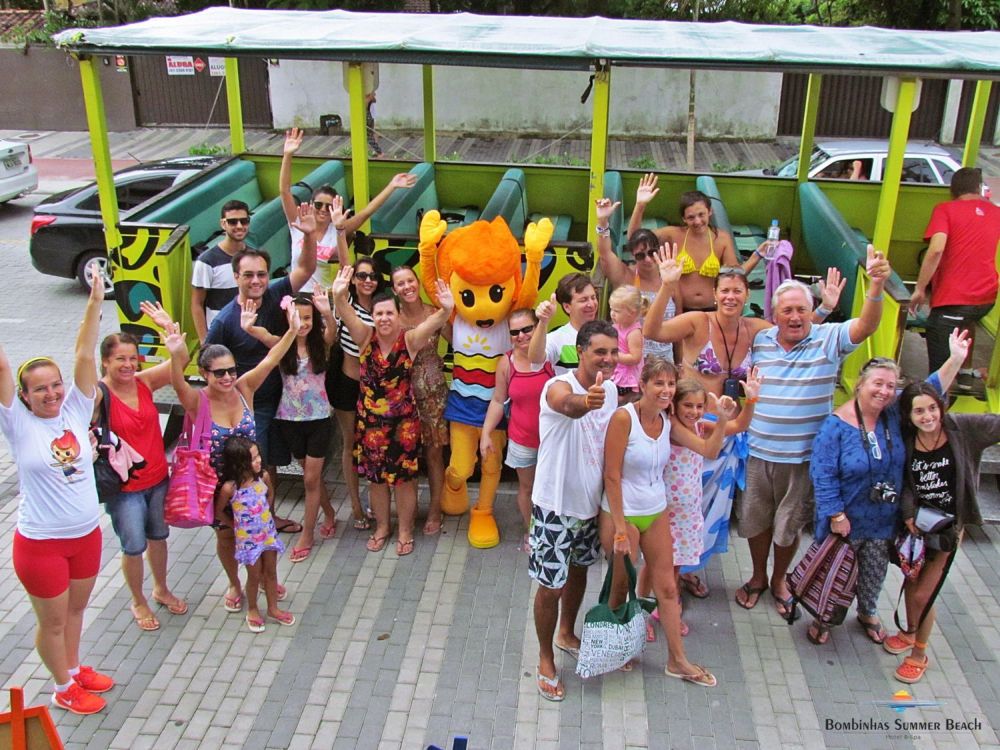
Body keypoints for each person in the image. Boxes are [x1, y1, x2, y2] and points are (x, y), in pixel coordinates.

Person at [643, 251, 843, 597]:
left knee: (710, 513)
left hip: (731, 434)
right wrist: (667, 285)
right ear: (715, 293)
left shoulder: (757, 331)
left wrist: (823, 309)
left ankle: (689, 570)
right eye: (725, 290)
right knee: (682, 507)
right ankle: (667, 583)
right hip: (691, 431)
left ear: (746, 295)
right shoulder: (696, 322)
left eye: (737, 290)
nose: (731, 297)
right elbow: (653, 330)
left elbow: (798, 331)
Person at [734, 248, 889, 618]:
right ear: (774, 315)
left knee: (789, 527)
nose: (794, 316)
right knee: (755, 522)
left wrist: (877, 286)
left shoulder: (828, 339)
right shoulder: (761, 342)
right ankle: (757, 576)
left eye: (802, 309)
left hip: (802, 460)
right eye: (786, 310)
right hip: (758, 453)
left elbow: (866, 326)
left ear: (813, 312)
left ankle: (779, 579)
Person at [808, 333, 967, 646]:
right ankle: (824, 616)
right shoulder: (836, 425)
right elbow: (822, 474)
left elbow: (931, 388)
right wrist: (836, 514)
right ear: (860, 385)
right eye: (877, 383)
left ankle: (867, 612)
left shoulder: (894, 415)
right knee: (834, 570)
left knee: (874, 572)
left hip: (883, 519)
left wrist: (957, 358)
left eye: (891, 386)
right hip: (845, 519)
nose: (884, 391)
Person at [0, 278, 114, 715]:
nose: (51, 394)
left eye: (55, 385)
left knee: (75, 613)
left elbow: (85, 354)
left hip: (86, 536)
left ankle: (75, 666)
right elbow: (2, 367)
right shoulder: (17, 423)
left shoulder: (77, 408)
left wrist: (95, 300)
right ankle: (62, 686)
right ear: (24, 397)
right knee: (51, 621)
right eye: (40, 389)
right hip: (41, 545)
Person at [603, 358, 738, 686]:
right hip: (624, 513)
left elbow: (707, 450)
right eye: (658, 384)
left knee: (666, 587)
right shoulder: (624, 418)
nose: (666, 391)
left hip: (657, 509)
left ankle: (677, 660)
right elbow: (612, 474)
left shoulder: (667, 421)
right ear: (642, 384)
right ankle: (615, 649)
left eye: (670, 384)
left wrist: (720, 421)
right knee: (621, 586)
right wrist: (620, 526)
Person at [164, 303, 300, 614]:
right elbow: (176, 384)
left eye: (231, 370)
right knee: (226, 538)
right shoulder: (198, 402)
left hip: (254, 482)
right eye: (219, 372)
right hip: (218, 489)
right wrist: (175, 356)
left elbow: (272, 358)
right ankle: (235, 583)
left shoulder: (244, 388)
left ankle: (265, 581)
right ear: (204, 373)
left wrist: (292, 330)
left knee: (262, 534)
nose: (227, 377)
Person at [204, 202, 320, 532]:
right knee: (259, 465)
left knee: (272, 464)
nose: (256, 280)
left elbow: (307, 268)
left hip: (286, 399)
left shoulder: (274, 292)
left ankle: (267, 514)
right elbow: (208, 364)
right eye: (249, 275)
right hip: (255, 407)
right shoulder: (225, 321)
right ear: (235, 276)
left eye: (261, 274)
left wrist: (309, 235)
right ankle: (259, 521)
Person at [883, 379, 1000, 683]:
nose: (928, 416)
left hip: (948, 530)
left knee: (925, 594)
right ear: (908, 415)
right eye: (919, 411)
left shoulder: (963, 429)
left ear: (941, 406)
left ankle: (919, 654)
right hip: (917, 527)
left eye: (932, 408)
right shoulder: (909, 439)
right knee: (911, 582)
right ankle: (909, 633)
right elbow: (906, 482)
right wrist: (908, 514)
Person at [332, 266, 453, 556]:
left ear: (398, 317)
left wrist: (446, 308)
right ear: (372, 318)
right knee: (376, 480)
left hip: (404, 426)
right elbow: (346, 312)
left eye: (389, 313)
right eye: (379, 314)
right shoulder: (365, 338)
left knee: (404, 480)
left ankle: (405, 530)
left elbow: (435, 320)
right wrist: (338, 295)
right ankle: (383, 526)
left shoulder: (409, 341)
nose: (384, 318)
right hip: (371, 425)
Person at [529, 320, 619, 702]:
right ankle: (546, 657)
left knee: (580, 572)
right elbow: (566, 405)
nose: (608, 359)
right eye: (600, 351)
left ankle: (567, 633)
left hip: (589, 506)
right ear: (580, 351)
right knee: (551, 585)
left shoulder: (612, 391)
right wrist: (586, 402)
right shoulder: (558, 386)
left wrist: (609, 510)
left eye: (614, 352)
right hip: (554, 507)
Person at [94, 301, 188, 633]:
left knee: (159, 537)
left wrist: (169, 331)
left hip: (157, 479)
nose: (128, 364)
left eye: (133, 358)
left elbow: (182, 361)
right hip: (124, 489)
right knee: (133, 545)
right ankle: (138, 600)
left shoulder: (144, 383)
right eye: (120, 358)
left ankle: (160, 588)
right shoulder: (99, 395)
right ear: (105, 361)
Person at [651, 373, 760, 633]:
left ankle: (665, 603)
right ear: (674, 406)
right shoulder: (673, 427)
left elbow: (740, 426)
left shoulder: (701, 424)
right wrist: (722, 418)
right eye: (688, 405)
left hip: (688, 509)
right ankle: (660, 608)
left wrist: (751, 400)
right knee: (661, 565)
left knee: (675, 564)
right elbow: (709, 450)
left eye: (700, 406)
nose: (695, 411)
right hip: (666, 510)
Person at [241, 291, 338, 563]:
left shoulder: (322, 344)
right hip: (289, 421)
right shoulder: (282, 345)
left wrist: (326, 311)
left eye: (308, 318)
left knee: (309, 479)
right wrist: (248, 326)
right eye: (298, 318)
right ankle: (329, 513)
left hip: (319, 420)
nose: (304, 323)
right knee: (312, 477)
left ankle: (307, 535)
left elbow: (331, 330)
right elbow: (262, 335)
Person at [279, 127, 417, 292]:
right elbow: (284, 191)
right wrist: (287, 155)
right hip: (296, 293)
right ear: (311, 204)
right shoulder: (298, 224)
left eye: (328, 206)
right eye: (318, 205)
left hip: (323, 296)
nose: (322, 209)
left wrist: (392, 186)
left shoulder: (336, 230)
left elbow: (366, 213)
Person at [910, 167, 1000, 376]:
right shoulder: (996, 213)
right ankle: (966, 374)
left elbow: (936, 250)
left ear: (952, 190)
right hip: (987, 298)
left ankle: (941, 400)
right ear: (978, 188)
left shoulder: (945, 210)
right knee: (966, 323)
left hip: (955, 299)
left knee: (940, 363)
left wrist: (920, 288)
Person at [626, 175, 762, 311]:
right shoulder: (673, 234)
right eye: (691, 217)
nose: (697, 221)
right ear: (684, 219)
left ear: (710, 211)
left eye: (701, 215)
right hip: (681, 309)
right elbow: (634, 239)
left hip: (712, 309)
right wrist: (640, 206)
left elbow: (735, 274)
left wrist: (756, 256)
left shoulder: (721, 238)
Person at [480, 307, 554, 551]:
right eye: (515, 332)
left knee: (554, 488)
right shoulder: (506, 363)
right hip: (523, 439)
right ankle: (531, 531)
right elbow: (498, 400)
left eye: (527, 329)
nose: (521, 336)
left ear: (537, 327)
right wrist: (486, 433)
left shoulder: (550, 356)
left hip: (553, 441)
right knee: (528, 488)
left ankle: (554, 532)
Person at [392, 265, 450, 535]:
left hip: (434, 392)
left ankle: (436, 509)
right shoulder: (394, 319)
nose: (407, 287)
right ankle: (410, 508)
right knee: (408, 457)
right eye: (400, 284)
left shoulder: (434, 312)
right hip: (403, 394)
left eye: (410, 281)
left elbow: (458, 339)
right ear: (395, 290)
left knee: (434, 454)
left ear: (417, 282)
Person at [215, 437, 294, 633]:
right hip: (249, 542)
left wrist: (264, 515)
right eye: (253, 458)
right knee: (254, 574)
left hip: (267, 535)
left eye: (258, 455)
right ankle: (252, 608)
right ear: (239, 463)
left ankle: (273, 608)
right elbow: (218, 511)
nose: (258, 461)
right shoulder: (231, 488)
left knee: (271, 571)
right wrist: (234, 524)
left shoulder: (264, 477)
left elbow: (270, 494)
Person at [329, 255, 384, 531]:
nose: (367, 280)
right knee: (350, 445)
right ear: (353, 279)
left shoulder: (381, 308)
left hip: (373, 388)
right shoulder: (344, 304)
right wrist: (340, 230)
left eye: (372, 275)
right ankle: (356, 506)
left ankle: (376, 502)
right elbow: (344, 266)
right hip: (347, 385)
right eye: (361, 276)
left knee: (374, 446)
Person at [595, 197, 676, 362]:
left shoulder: (671, 279)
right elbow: (605, 253)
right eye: (640, 255)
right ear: (633, 255)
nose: (647, 259)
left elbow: (677, 327)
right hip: (631, 362)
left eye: (651, 252)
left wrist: (680, 362)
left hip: (665, 361)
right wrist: (603, 222)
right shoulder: (626, 276)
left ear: (659, 251)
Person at [191, 200, 252, 343]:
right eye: (232, 222)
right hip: (220, 336)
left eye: (244, 221)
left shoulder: (254, 257)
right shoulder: (206, 261)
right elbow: (197, 304)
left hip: (249, 335)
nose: (239, 226)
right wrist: (204, 342)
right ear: (223, 224)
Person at [530, 272, 599, 375]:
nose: (591, 304)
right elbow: (536, 360)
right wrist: (543, 322)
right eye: (583, 300)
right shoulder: (557, 337)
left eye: (593, 298)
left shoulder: (608, 333)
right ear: (567, 307)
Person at [608, 285, 645, 398]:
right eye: (611, 309)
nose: (612, 313)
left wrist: (614, 355)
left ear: (632, 313)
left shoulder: (634, 333)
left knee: (620, 401)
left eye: (617, 311)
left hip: (626, 379)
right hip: (616, 371)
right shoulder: (616, 326)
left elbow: (635, 358)